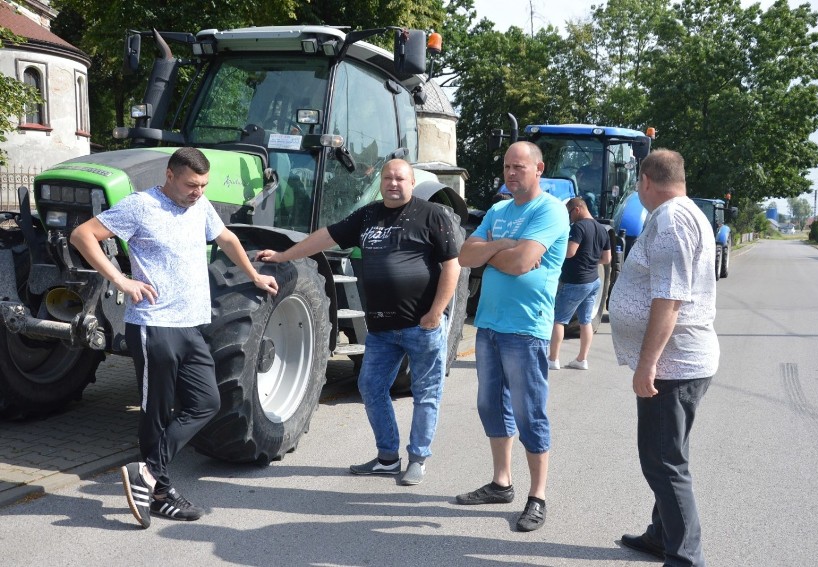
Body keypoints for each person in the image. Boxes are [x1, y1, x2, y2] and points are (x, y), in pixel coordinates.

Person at [70, 147, 279, 529]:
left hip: (190, 326)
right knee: (156, 412)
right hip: (153, 325)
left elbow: (228, 239)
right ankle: (162, 492)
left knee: (206, 402)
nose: (197, 191)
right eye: (190, 185)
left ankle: (147, 473)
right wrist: (120, 279)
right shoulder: (140, 206)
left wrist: (253, 275)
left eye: (202, 185)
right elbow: (83, 235)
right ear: (169, 175)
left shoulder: (200, 207)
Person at [255, 159, 460, 486]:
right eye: (388, 177)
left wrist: (436, 313)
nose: (394, 183)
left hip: (422, 326)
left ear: (411, 181)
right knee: (370, 387)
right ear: (381, 181)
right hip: (381, 329)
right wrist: (283, 256)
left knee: (426, 392)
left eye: (400, 178)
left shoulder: (431, 215)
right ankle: (388, 457)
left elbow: (452, 266)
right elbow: (326, 237)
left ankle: (418, 458)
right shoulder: (368, 215)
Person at [608, 149, 719, 566]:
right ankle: (661, 536)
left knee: (663, 462)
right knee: (668, 453)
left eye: (638, 183)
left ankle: (685, 558)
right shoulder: (684, 212)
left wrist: (648, 363)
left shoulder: (672, 219)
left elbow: (669, 298)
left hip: (672, 367)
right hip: (680, 363)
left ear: (646, 181)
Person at [455, 141, 569, 532]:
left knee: (529, 412)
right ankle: (501, 483)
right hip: (488, 326)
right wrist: (502, 246)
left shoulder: (550, 210)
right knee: (491, 406)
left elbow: (522, 264)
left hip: (527, 328)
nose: (511, 173)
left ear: (539, 168)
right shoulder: (500, 210)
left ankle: (537, 496)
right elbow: (464, 257)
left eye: (519, 166)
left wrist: (491, 252)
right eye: (507, 167)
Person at [547, 196, 611, 371]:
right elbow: (607, 259)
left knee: (559, 320)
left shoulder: (579, 227)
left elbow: (569, 252)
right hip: (593, 281)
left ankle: (553, 359)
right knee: (585, 321)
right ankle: (582, 359)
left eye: (569, 214)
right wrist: (590, 261)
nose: (569, 218)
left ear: (577, 209)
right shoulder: (602, 229)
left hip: (575, 281)